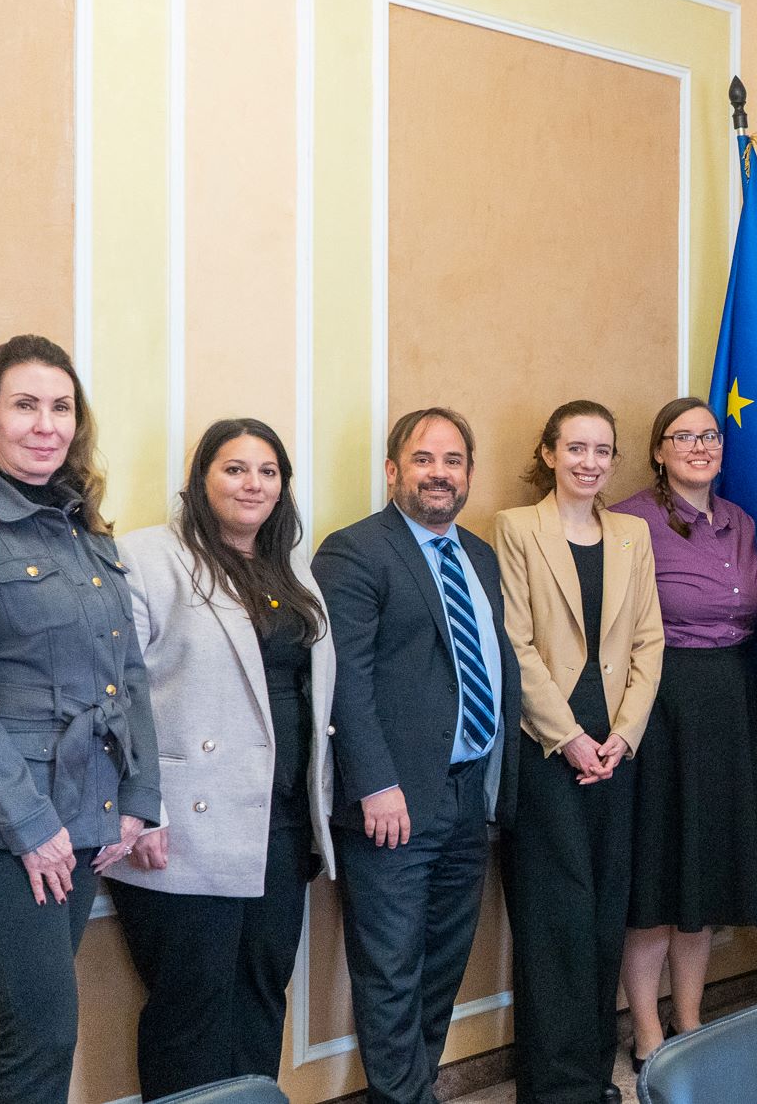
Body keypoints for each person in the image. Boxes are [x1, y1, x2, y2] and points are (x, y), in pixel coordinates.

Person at [0, 335, 159, 1103]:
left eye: (60, 407)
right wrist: (30, 820)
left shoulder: (88, 532)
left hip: (87, 815)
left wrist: (137, 801)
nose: (45, 423)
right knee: (45, 1032)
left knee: (14, 1031)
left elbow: (130, 673)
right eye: (24, 405)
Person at [102, 418, 336, 1098]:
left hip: (283, 822)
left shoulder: (291, 567)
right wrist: (144, 808)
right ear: (202, 478)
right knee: (191, 1006)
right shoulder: (148, 556)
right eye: (234, 468)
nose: (252, 483)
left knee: (263, 990)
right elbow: (120, 692)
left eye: (267, 470)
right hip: (183, 826)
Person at [313, 407, 522, 1104]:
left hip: (467, 796)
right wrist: (375, 783)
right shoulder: (356, 551)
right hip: (393, 804)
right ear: (393, 469)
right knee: (392, 970)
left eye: (454, 459)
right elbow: (346, 677)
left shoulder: (479, 556)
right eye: (425, 458)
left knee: (442, 966)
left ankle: (413, 1091)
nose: (441, 472)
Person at [493, 400, 664, 1104]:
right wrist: (570, 738)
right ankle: (554, 1085)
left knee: (602, 917)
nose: (590, 462)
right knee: (553, 919)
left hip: (618, 750)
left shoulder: (631, 534)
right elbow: (516, 643)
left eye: (602, 450)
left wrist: (623, 734)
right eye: (576, 448)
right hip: (548, 748)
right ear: (549, 452)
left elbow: (651, 640)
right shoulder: (515, 527)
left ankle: (593, 1074)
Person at [613, 398, 757, 1071]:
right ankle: (647, 1030)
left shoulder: (741, 521)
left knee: (702, 873)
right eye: (684, 436)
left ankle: (691, 1020)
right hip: (661, 700)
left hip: (729, 698)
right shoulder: (628, 520)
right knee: (656, 873)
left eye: (710, 435)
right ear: (658, 450)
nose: (700, 446)